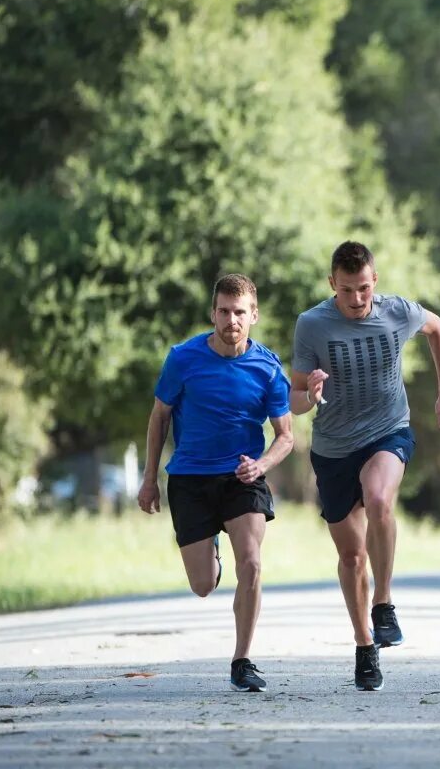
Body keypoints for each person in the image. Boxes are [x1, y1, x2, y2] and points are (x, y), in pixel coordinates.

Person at [290, 241, 440, 692]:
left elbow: (438, 329)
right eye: (347, 290)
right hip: (333, 448)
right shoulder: (311, 325)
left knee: (381, 499)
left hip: (388, 430)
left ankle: (383, 602)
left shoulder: (396, 311)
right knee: (351, 555)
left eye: (364, 288)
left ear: (375, 282)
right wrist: (312, 394)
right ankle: (365, 644)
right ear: (332, 284)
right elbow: (295, 399)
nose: (358, 299)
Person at [137, 273, 294, 693]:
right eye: (224, 311)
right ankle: (213, 551)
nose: (231, 320)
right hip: (189, 477)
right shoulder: (183, 359)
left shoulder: (267, 366)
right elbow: (159, 417)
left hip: (243, 476)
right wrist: (149, 479)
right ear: (213, 313)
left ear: (253, 315)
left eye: (239, 312)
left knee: (254, 562)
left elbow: (286, 437)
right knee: (203, 585)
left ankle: (242, 660)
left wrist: (261, 466)